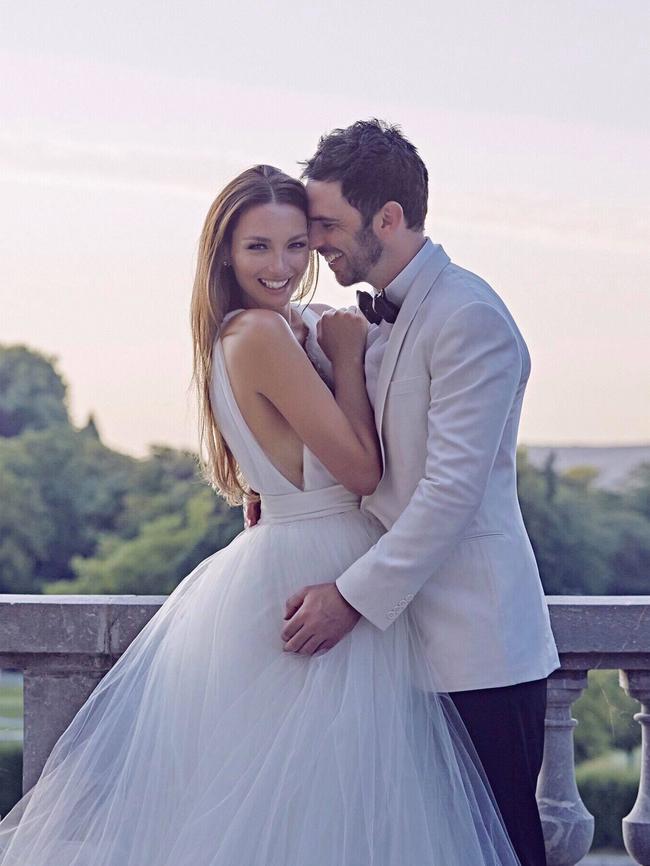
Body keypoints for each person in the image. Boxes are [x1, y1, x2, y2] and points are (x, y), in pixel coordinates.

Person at [0, 164, 521, 865]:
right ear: (223, 254)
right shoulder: (262, 335)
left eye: (298, 245)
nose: (284, 266)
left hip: (308, 552)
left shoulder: (280, 327)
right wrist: (344, 354)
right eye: (258, 248)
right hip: (323, 566)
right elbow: (363, 470)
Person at [277, 120, 560, 866]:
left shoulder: (469, 317)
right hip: (397, 650)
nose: (317, 244)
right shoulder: (370, 317)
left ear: (390, 218)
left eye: (328, 225)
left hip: (478, 650)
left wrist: (348, 596)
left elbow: (449, 495)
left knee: (499, 849)